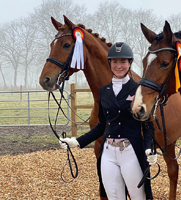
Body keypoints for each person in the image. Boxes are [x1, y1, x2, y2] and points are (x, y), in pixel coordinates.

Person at [59, 42, 157, 200]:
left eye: (123, 62)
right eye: (115, 62)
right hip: (108, 154)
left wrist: (149, 148)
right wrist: (77, 142)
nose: (119, 66)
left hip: (131, 152)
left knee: (139, 197)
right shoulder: (104, 91)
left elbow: (148, 126)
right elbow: (102, 126)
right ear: (110, 63)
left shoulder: (139, 89)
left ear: (130, 63)